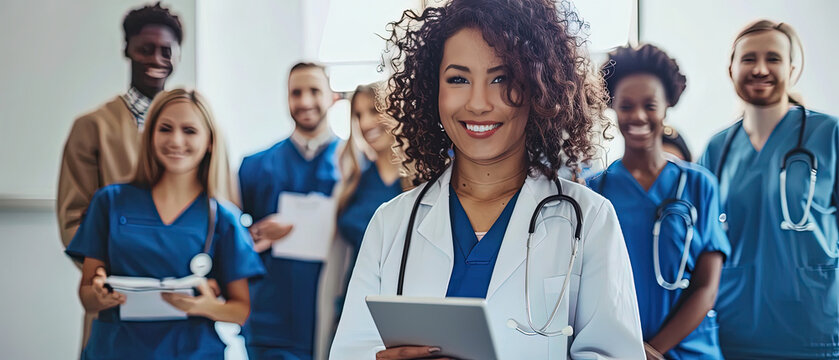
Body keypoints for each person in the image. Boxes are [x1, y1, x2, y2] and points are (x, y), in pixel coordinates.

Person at [330, 0, 645, 358]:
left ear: (538, 89)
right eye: (458, 79)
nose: (478, 103)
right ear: (433, 90)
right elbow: (350, 351)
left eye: (501, 78)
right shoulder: (391, 223)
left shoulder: (589, 219)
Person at [64, 89, 265, 358]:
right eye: (165, 129)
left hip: (192, 351)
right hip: (116, 350)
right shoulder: (109, 202)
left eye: (190, 131)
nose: (176, 140)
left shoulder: (223, 219)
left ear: (209, 141)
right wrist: (98, 295)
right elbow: (87, 295)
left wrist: (202, 306)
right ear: (150, 136)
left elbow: (241, 311)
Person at [698, 20, 839, 359]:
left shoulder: (829, 134)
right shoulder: (717, 149)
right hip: (735, 331)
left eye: (773, 58)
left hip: (814, 327)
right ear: (731, 68)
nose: (760, 69)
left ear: (792, 68)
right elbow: (703, 244)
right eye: (748, 59)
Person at [588, 44, 730, 359]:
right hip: (619, 352)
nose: (638, 116)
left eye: (650, 105)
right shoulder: (593, 191)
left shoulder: (699, 185)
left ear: (667, 106)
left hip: (692, 351)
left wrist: (652, 351)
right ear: (613, 108)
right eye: (626, 106)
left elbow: (707, 287)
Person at [56, 2, 184, 349]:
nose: (156, 58)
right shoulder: (92, 127)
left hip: (181, 301)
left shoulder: (191, 131)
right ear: (127, 49)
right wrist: (106, 274)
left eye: (166, 51)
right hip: (117, 298)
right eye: (145, 49)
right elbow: (73, 219)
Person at [239, 62, 343, 359]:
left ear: (332, 96)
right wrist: (254, 233)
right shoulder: (255, 167)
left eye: (314, 91)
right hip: (272, 323)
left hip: (333, 317)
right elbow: (228, 242)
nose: (305, 101)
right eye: (296, 93)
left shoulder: (357, 167)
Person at [335, 83, 406, 310]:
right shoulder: (354, 181)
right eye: (358, 115)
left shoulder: (423, 182)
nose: (365, 123)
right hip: (354, 304)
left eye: (374, 111)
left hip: (402, 307)